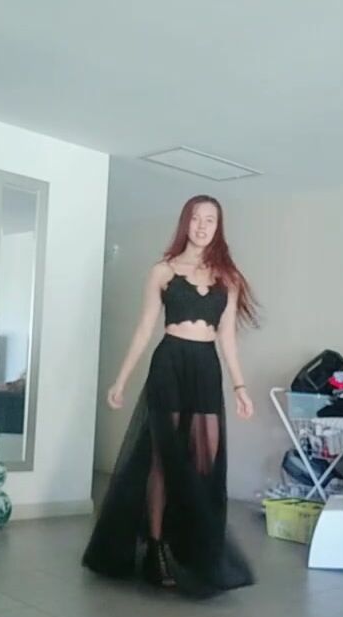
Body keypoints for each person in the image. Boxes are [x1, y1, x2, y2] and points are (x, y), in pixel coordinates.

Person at [82, 195, 256, 596]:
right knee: (164, 457)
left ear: (218, 227)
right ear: (185, 223)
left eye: (210, 220)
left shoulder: (228, 278)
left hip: (205, 367)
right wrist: (120, 381)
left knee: (206, 456)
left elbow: (228, 338)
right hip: (170, 364)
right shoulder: (162, 271)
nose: (202, 226)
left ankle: (199, 548)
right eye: (196, 218)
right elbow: (145, 328)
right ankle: (156, 548)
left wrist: (240, 388)